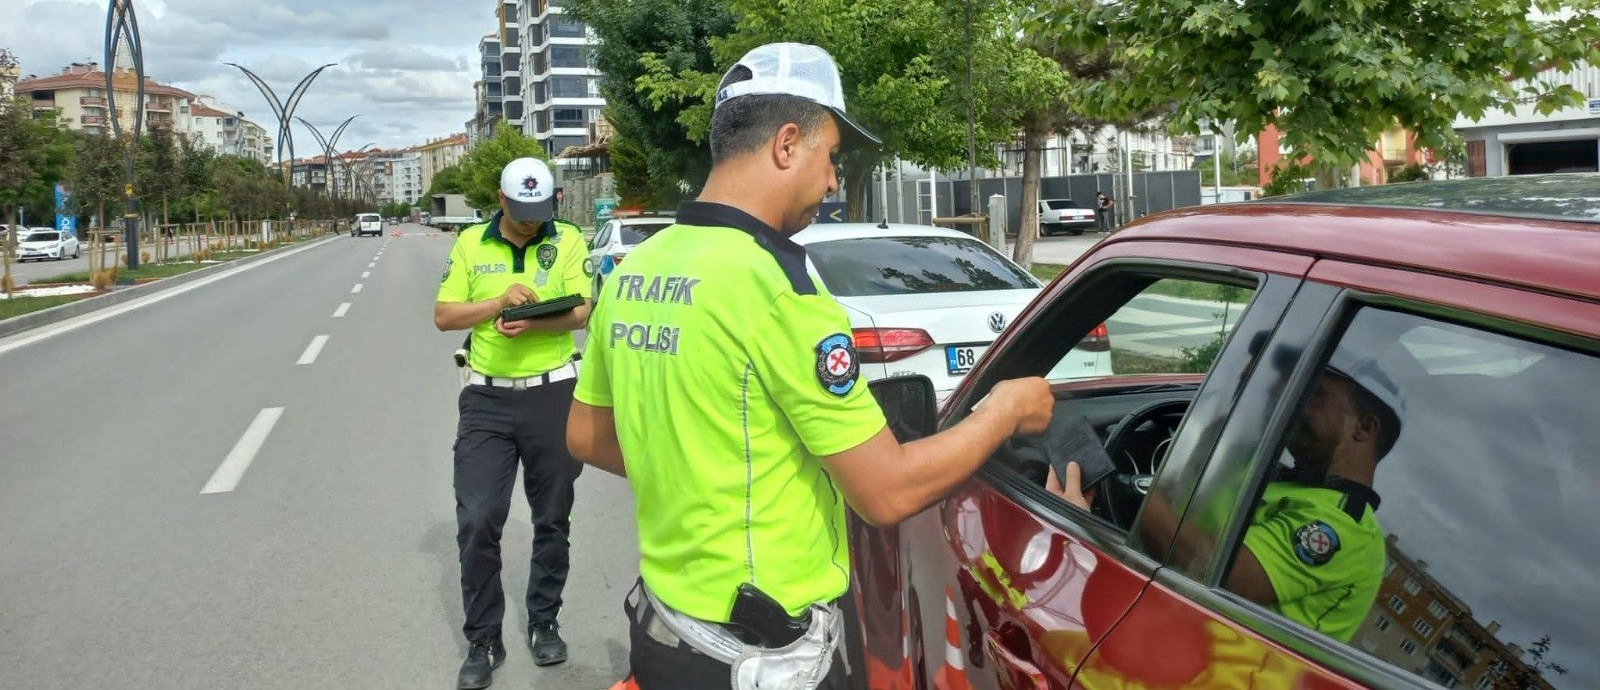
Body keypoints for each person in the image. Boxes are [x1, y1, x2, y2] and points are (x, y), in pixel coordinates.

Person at [566, 43, 1055, 690]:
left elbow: (586, 435)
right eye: (830, 159)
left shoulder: (639, 269)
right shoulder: (780, 290)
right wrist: (1004, 410)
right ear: (787, 144)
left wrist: (699, 468)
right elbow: (887, 491)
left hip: (664, 633)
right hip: (761, 657)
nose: (830, 182)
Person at [1049, 356, 1398, 641]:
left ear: (1364, 428)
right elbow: (1206, 460)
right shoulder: (1283, 479)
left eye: (1315, 394)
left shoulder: (1345, 529)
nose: (1295, 404)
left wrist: (1106, 477)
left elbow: (1207, 565)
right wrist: (1250, 397)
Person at [434, 157, 592, 689]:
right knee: (478, 520)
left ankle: (544, 620)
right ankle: (483, 638)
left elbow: (582, 312)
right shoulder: (470, 245)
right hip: (487, 399)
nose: (531, 221)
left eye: (540, 211)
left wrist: (538, 316)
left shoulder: (566, 239)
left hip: (553, 394)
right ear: (501, 200)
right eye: (521, 212)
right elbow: (444, 315)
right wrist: (497, 303)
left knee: (552, 517)